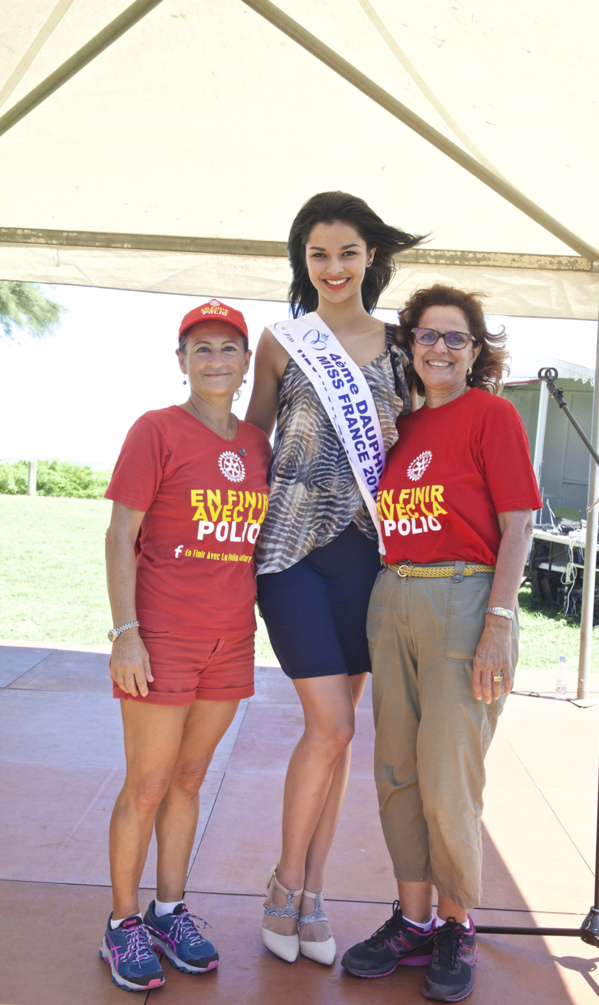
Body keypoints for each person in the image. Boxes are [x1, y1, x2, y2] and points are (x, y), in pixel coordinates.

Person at [341, 285, 542, 1002]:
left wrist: (499, 621)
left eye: (457, 338)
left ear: (476, 350)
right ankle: (413, 919)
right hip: (394, 593)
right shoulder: (397, 427)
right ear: (410, 344)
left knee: (449, 776)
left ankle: (457, 923)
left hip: (465, 596)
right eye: (428, 335)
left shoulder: (492, 414)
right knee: (397, 770)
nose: (440, 349)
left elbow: (518, 524)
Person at [245, 191, 423, 965]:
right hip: (289, 553)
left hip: (369, 557)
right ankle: (285, 883)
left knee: (341, 731)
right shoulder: (283, 341)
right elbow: (250, 439)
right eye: (318, 254)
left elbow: (421, 448)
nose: (334, 266)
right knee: (331, 723)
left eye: (347, 252)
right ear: (303, 261)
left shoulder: (402, 345)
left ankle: (313, 891)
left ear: (371, 257)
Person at [100, 299, 271, 991]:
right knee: (147, 783)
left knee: (190, 778)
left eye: (228, 348)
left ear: (246, 363)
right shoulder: (156, 429)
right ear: (181, 361)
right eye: (202, 348)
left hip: (230, 637)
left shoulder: (256, 444)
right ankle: (121, 923)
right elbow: (120, 534)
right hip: (162, 634)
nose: (216, 360)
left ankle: (169, 911)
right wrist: (126, 633)